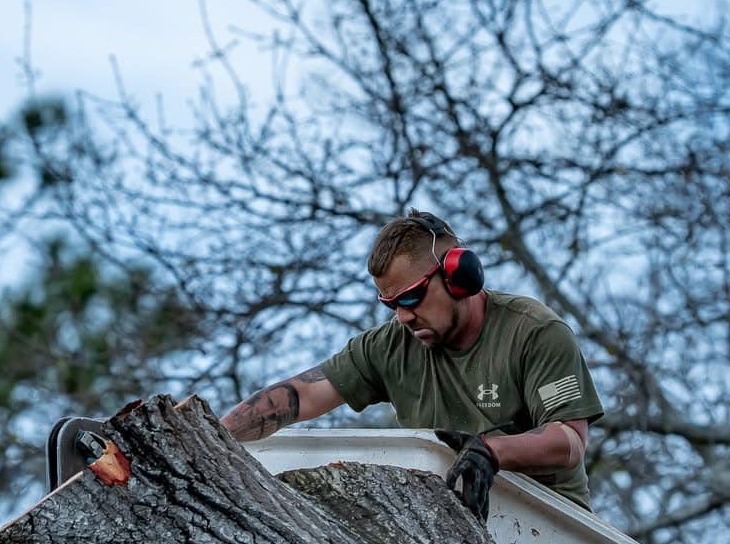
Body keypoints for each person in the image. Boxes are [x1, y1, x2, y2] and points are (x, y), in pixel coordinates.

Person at [217, 212, 603, 521]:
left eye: (413, 297)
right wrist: (211, 438)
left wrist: (490, 451)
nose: (403, 316)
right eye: (391, 305)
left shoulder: (533, 331)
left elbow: (568, 441)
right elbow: (301, 395)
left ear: (458, 276)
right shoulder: (390, 346)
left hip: (553, 529)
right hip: (449, 528)